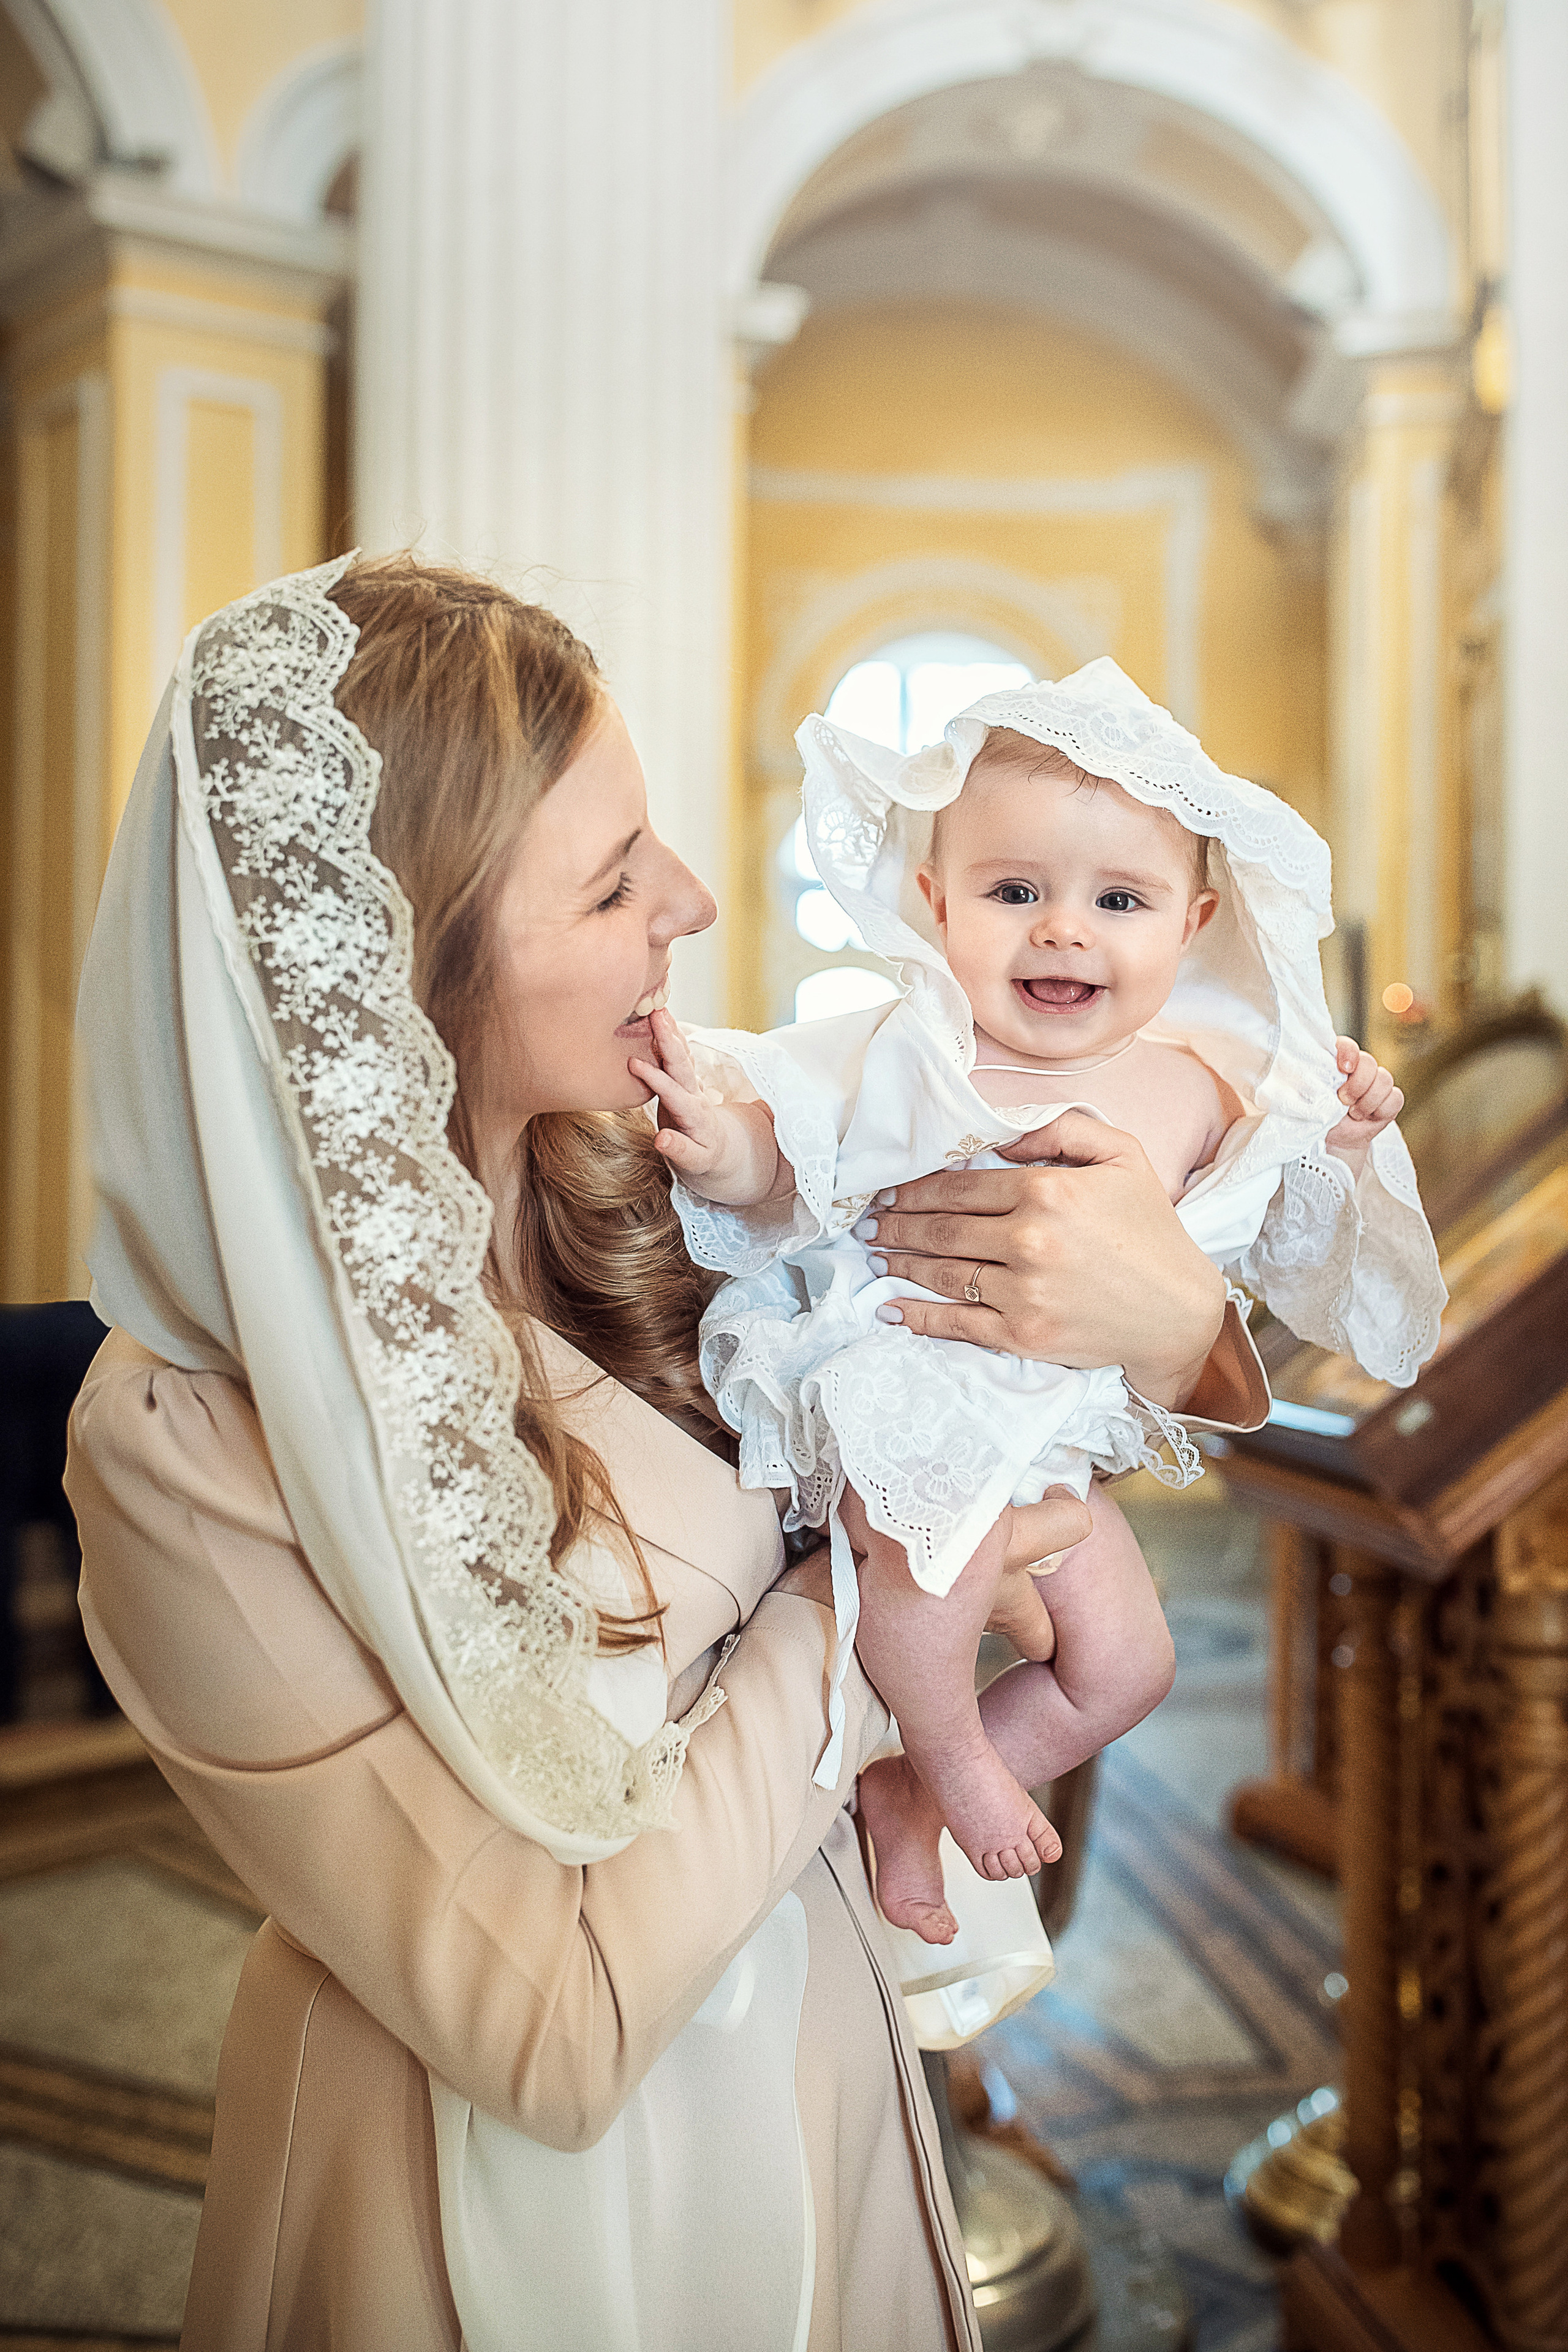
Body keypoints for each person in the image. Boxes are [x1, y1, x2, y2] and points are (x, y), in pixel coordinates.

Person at [66, 561, 1271, 2351]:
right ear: (418, 955)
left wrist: (1166, 1311)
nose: (694, 904)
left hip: (812, 2069)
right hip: (476, 2207)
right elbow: (546, 2031)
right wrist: (849, 1610)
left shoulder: (642, 1190)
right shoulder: (182, 1451)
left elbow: (1051, 1339)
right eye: (620, 880)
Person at [637, 662, 1446, 1943]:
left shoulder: (1196, 1087)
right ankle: (953, 1751)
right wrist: (727, 1153)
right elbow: (794, 1153)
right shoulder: (907, 1053)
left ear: (1187, 923)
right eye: (1014, 893)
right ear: (934, 906)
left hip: (1054, 1449)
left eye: (1115, 899)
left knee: (1130, 1667)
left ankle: (912, 1790)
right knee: (932, 1572)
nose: (1062, 930)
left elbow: (1272, 1231)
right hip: (915, 1398)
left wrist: (1340, 1143)